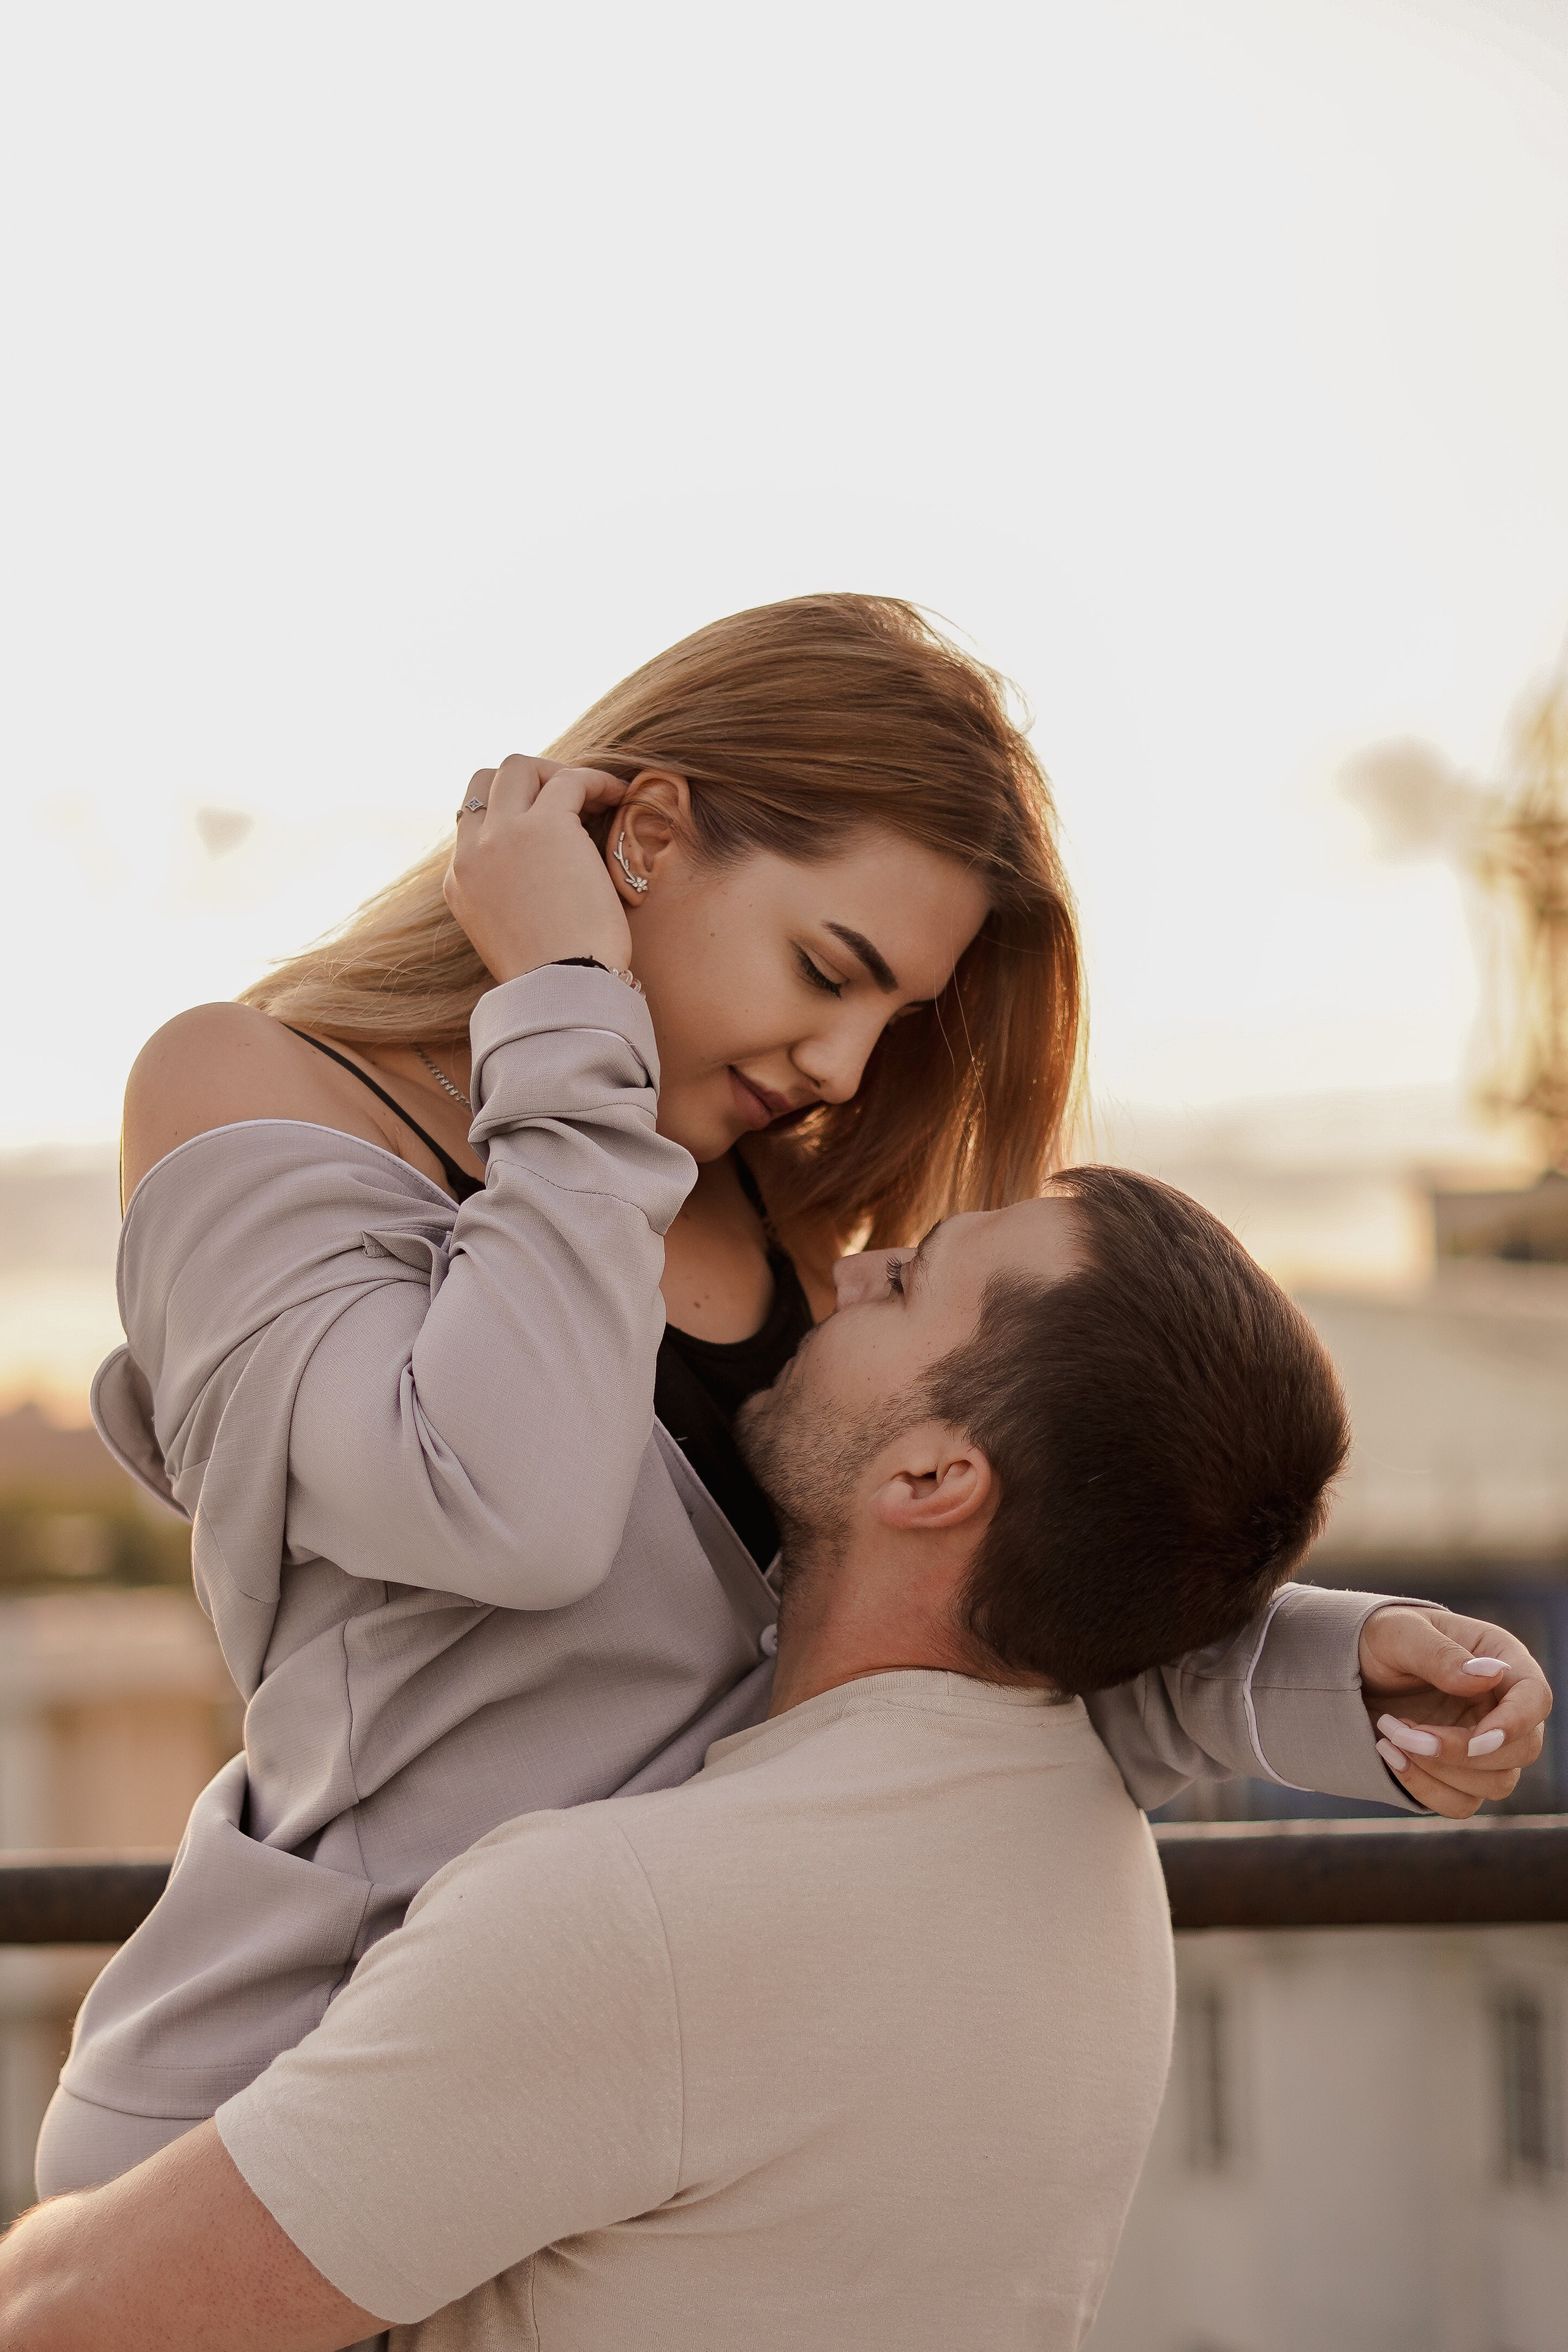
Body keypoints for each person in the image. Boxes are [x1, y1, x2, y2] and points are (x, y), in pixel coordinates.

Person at [34, 597, 1550, 2201]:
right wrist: (560, 992)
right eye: (832, 970)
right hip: (273, 2139)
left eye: (895, 1018)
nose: (842, 1065)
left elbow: (919, 1653)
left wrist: (1327, 1667)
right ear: (651, 838)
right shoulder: (252, 1088)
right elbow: (497, 1508)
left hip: (626, 2146)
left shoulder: (777, 1229)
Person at [3, 1166, 1539, 2352]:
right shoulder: (1083, 1839)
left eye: (917, 1279)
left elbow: (75, 2310)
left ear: (934, 1477)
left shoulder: (635, 1922)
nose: (862, 1260)